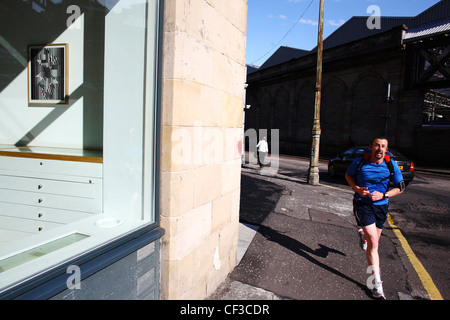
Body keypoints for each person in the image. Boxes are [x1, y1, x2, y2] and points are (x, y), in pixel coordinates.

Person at [345, 136, 405, 300]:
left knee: (373, 243)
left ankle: (364, 235)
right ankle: (376, 284)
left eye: (383, 146)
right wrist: (357, 189)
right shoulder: (360, 162)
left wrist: (384, 194)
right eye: (377, 146)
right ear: (371, 147)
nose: (379, 149)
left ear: (386, 148)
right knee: (375, 242)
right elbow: (348, 176)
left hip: (381, 207)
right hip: (363, 205)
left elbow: (400, 187)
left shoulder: (391, 165)